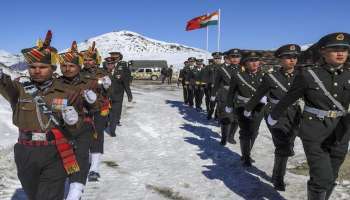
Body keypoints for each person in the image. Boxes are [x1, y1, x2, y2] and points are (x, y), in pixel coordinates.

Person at [267, 32, 350, 199]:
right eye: (334, 49)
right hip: (315, 132)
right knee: (322, 178)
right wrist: (274, 116)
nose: (340, 53)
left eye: (344, 49)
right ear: (323, 52)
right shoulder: (308, 75)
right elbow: (289, 98)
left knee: (331, 176)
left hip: (341, 132)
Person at [0, 30, 81, 200]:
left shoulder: (68, 92)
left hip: (55, 150)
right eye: (32, 67)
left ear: (52, 68)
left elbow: (78, 127)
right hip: (25, 150)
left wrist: (73, 121)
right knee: (34, 194)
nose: (37, 71)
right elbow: (4, 83)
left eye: (42, 67)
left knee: (49, 196)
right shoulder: (20, 89)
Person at [244, 44, 302, 191]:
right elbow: (258, 94)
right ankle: (278, 178)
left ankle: (280, 167)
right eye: (288, 57)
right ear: (280, 59)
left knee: (289, 142)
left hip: (295, 114)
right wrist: (248, 108)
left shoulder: (303, 76)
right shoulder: (272, 77)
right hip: (275, 114)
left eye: (294, 57)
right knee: (282, 144)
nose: (292, 60)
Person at [57, 41, 100, 199]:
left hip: (83, 125)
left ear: (79, 66)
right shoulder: (56, 83)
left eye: (71, 66)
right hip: (61, 127)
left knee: (80, 156)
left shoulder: (88, 82)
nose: (67, 69)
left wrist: (93, 101)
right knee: (63, 157)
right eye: (64, 66)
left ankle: (76, 190)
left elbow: (96, 107)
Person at [226, 51, 266, 167]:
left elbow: (271, 91)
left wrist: (266, 98)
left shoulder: (265, 76)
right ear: (245, 63)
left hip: (259, 108)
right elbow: (231, 92)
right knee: (245, 132)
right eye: (251, 61)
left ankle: (247, 152)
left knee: (254, 131)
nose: (254, 63)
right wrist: (229, 105)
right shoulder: (238, 76)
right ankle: (246, 156)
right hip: (242, 107)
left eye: (256, 60)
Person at [80, 42, 112, 182]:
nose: (87, 62)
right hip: (82, 109)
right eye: (85, 60)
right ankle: (83, 160)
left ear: (95, 60)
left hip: (99, 109)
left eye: (90, 59)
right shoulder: (79, 73)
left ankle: (94, 167)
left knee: (97, 135)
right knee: (82, 135)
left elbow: (110, 91)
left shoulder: (103, 73)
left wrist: (107, 86)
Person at [212, 49, 242, 145]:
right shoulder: (222, 69)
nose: (235, 59)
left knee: (237, 119)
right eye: (233, 57)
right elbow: (216, 83)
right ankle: (224, 137)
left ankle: (231, 136)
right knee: (226, 118)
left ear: (240, 58)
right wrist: (213, 94)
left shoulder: (243, 69)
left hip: (239, 96)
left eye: (237, 57)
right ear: (229, 58)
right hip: (225, 95)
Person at [105, 54, 132, 135]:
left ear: (114, 64)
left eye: (111, 64)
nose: (110, 65)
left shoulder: (121, 71)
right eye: (108, 64)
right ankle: (106, 123)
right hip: (106, 96)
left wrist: (129, 95)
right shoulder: (103, 72)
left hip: (117, 96)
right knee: (107, 112)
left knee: (115, 113)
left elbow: (125, 83)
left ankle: (112, 130)